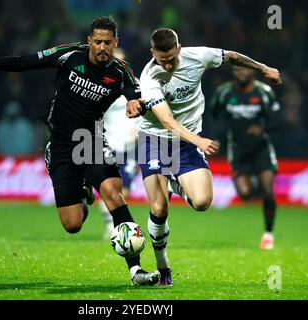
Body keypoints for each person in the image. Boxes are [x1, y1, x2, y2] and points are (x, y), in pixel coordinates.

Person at [0, 17, 160, 286]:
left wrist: (132, 104)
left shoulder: (119, 71)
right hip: (59, 144)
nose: (103, 47)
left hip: (90, 141)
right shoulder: (69, 55)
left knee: (113, 194)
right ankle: (82, 194)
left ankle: (135, 271)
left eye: (108, 42)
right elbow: (24, 62)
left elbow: (134, 95)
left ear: (115, 42)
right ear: (89, 41)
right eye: (98, 42)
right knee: (72, 225)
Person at [127, 28, 282, 286]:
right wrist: (199, 140)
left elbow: (231, 57)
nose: (167, 64)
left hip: (185, 144)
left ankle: (176, 184)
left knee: (201, 202)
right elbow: (166, 121)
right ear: (153, 53)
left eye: (171, 58)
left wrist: (262, 68)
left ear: (179, 48)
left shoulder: (197, 56)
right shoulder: (150, 78)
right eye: (161, 59)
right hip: (155, 140)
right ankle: (163, 266)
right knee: (159, 207)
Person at [210, 66, 281, 250]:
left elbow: (277, 120)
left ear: (252, 72)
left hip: (261, 148)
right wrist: (217, 138)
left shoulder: (263, 92)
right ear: (233, 72)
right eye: (237, 71)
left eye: (245, 71)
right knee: (245, 194)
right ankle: (254, 183)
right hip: (238, 150)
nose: (241, 73)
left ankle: (268, 234)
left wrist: (262, 129)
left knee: (268, 190)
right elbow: (214, 116)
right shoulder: (223, 93)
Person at [99, 48, 140, 240]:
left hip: (130, 145)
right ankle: (111, 225)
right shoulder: (98, 84)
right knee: (110, 187)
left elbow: (145, 109)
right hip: (108, 142)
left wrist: (138, 128)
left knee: (125, 190)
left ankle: (113, 223)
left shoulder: (135, 83)